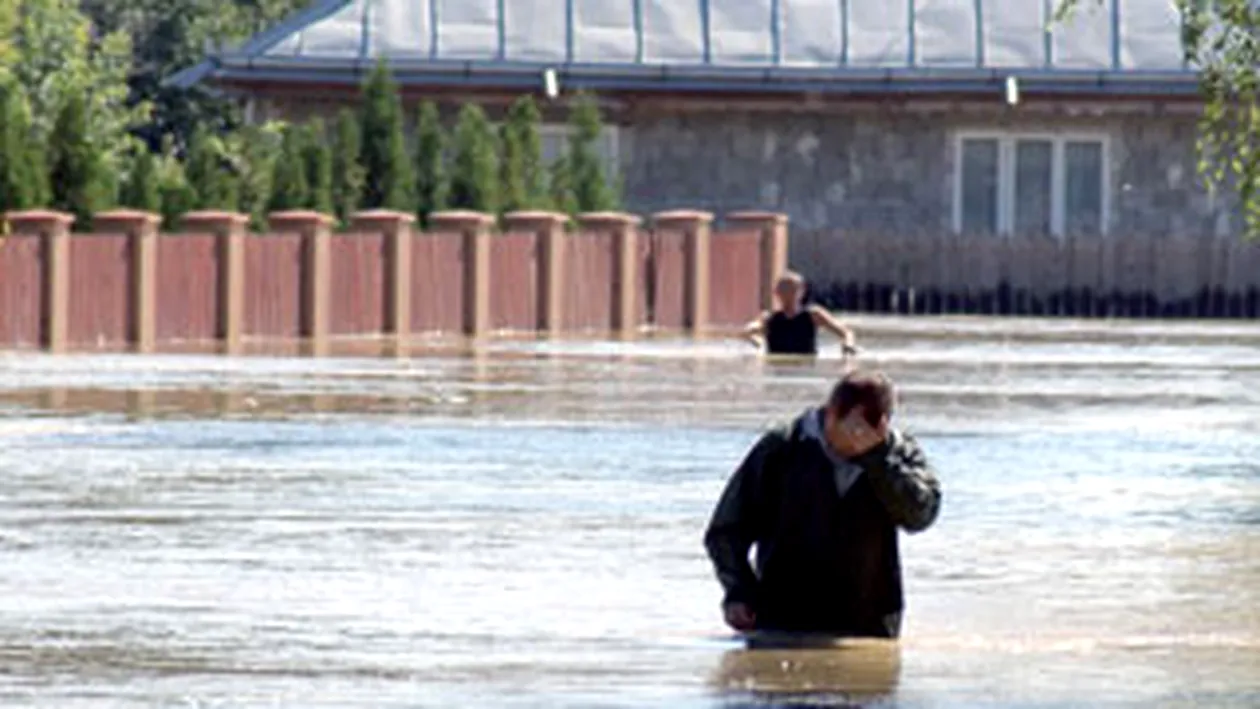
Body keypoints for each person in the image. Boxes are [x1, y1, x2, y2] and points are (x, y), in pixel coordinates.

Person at [703, 369, 941, 640]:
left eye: (864, 433)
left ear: (883, 425)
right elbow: (726, 531)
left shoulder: (898, 453)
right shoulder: (784, 446)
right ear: (830, 413)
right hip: (783, 621)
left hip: (868, 627)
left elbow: (920, 516)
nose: (852, 443)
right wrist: (739, 592)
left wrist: (877, 460)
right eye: (848, 431)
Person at [743, 271, 857, 357]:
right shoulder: (769, 318)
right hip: (776, 367)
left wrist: (848, 344)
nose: (789, 294)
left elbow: (845, 332)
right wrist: (756, 339)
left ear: (801, 292)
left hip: (807, 366)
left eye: (793, 290)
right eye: (784, 290)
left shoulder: (814, 315)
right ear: (777, 293)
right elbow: (749, 330)